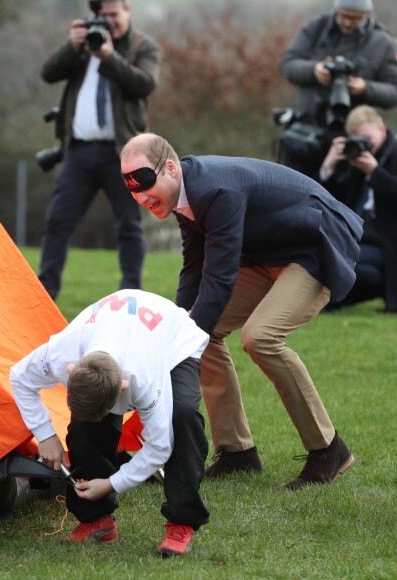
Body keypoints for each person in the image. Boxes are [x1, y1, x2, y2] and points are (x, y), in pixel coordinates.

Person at [120, 132, 363, 491]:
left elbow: (218, 276)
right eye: (129, 187)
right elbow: (195, 266)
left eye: (143, 182)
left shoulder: (215, 191)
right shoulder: (183, 197)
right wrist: (175, 327)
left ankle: (329, 449)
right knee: (200, 331)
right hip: (268, 254)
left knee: (260, 337)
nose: (139, 196)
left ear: (170, 168)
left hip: (314, 246)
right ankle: (237, 453)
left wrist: (185, 337)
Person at [10, 289, 210, 557]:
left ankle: (182, 521)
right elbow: (20, 378)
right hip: (118, 333)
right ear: (71, 372)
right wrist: (45, 435)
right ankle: (97, 519)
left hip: (174, 342)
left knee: (182, 417)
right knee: (83, 428)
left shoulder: (144, 378)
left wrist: (112, 482)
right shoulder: (61, 355)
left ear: (123, 391)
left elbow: (160, 447)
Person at [37, 0, 160, 301]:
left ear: (127, 10)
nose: (108, 23)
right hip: (78, 153)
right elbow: (49, 73)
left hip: (123, 153)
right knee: (57, 222)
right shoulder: (82, 47)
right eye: (101, 17)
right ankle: (44, 294)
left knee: (129, 225)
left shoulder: (142, 46)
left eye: (113, 16)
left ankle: (130, 294)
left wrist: (108, 56)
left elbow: (144, 84)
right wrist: (72, 45)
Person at [278, 0, 397, 179]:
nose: (347, 22)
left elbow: (393, 91)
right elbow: (287, 64)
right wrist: (314, 71)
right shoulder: (316, 28)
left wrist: (365, 88)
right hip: (305, 134)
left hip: (351, 140)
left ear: (368, 14)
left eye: (354, 18)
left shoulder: (384, 43)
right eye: (343, 15)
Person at [320, 105, 397, 313]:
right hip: (358, 235)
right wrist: (330, 166)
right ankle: (327, 303)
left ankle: (323, 302)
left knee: (343, 265)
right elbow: (334, 199)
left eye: (367, 137)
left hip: (385, 239)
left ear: (381, 129)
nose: (364, 144)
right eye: (357, 138)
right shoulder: (356, 156)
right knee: (365, 273)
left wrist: (374, 172)